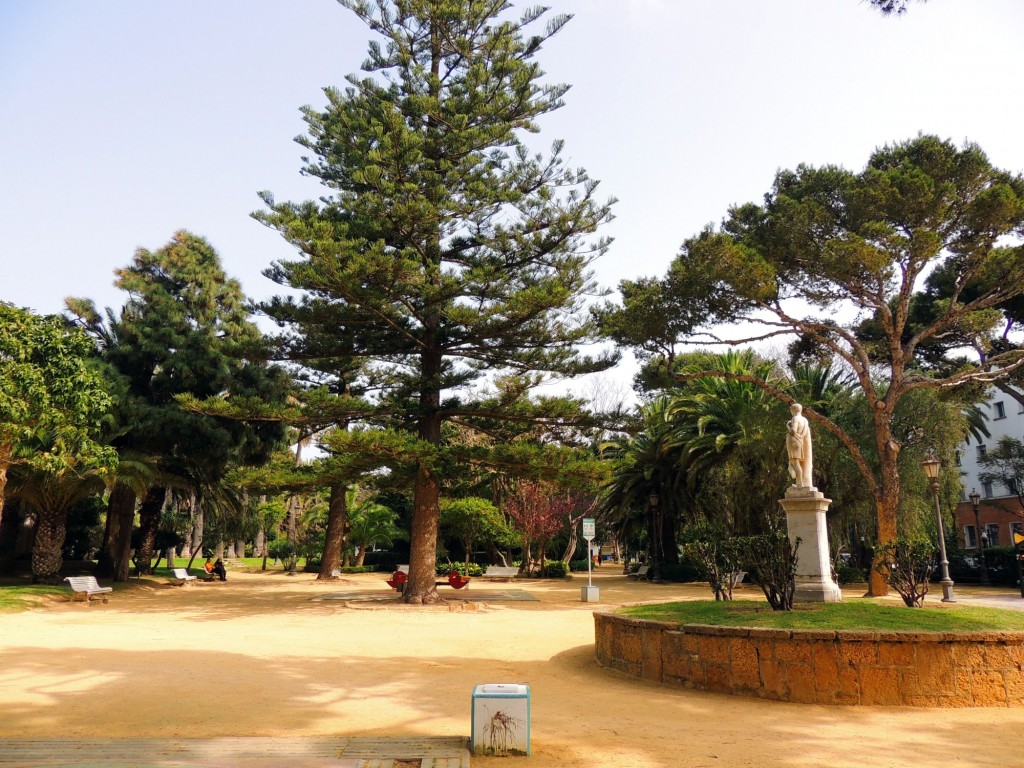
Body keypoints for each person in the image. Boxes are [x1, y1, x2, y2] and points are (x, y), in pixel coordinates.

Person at [786, 403, 813, 488]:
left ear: (793, 410)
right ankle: (800, 482)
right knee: (797, 463)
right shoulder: (805, 420)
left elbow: (793, 430)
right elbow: (804, 433)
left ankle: (799, 483)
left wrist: (788, 426)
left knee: (795, 463)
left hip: (794, 441)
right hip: (800, 441)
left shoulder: (795, 418)